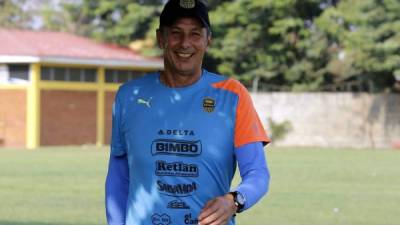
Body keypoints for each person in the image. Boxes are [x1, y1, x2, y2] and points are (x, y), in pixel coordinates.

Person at [105, 0, 271, 225]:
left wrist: (234, 200)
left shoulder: (232, 95)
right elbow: (118, 177)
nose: (185, 43)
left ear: (207, 40)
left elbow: (257, 173)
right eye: (176, 33)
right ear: (160, 37)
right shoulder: (129, 96)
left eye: (195, 34)